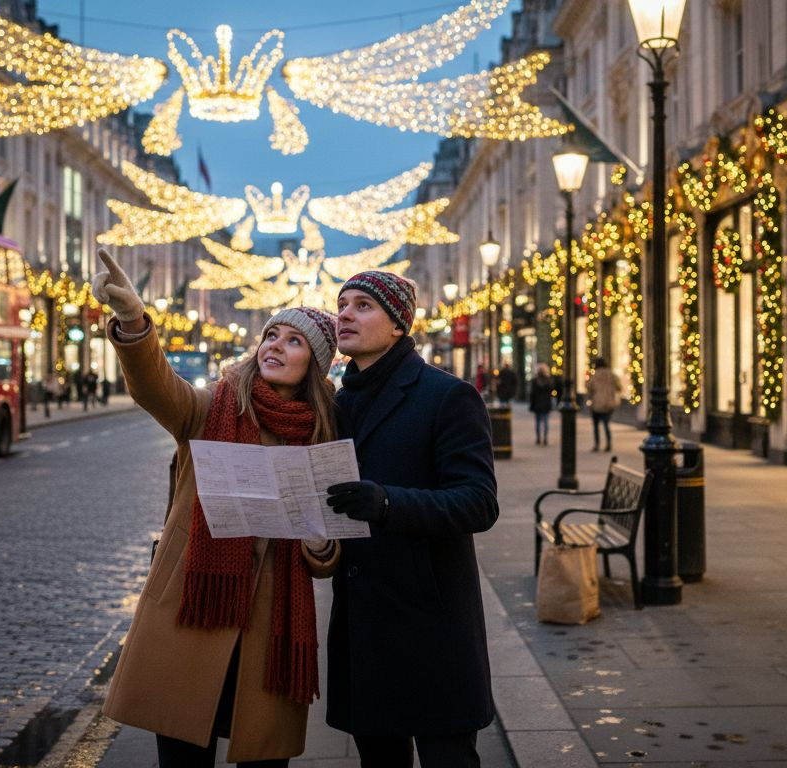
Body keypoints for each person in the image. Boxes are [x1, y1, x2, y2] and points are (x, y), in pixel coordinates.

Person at [92, 249, 341, 767]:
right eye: (273, 334)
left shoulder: (323, 436)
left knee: (263, 758)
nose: (276, 345)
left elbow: (327, 549)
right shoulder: (213, 406)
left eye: (294, 342)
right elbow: (156, 386)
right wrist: (135, 324)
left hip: (270, 630)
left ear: (313, 365)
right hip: (194, 606)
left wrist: (321, 545)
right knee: (182, 757)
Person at [323, 271, 498, 767]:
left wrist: (387, 504)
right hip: (364, 621)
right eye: (342, 304)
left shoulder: (446, 395)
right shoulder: (339, 402)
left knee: (448, 758)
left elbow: (478, 502)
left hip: (431, 620)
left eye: (362, 306)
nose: (345, 314)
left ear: (399, 323)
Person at [585, 356, 623, 452]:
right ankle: (608, 444)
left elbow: (589, 388)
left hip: (596, 404)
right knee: (606, 425)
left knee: (596, 426)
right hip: (608, 403)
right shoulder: (611, 375)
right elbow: (619, 387)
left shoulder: (595, 375)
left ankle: (597, 445)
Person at [528, 363, 556, 446]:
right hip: (546, 403)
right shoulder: (549, 380)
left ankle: (538, 438)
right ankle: (545, 438)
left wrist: (532, 404)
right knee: (546, 421)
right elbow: (552, 390)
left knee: (538, 422)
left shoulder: (535, 381)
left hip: (537, 404)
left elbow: (532, 394)